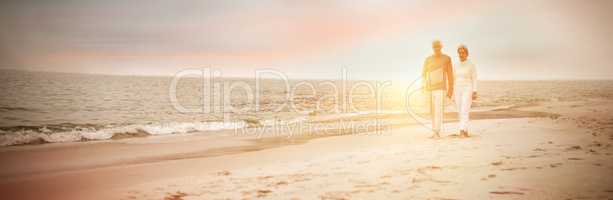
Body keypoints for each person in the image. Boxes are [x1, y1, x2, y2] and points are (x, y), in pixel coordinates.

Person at [422, 40, 454, 138]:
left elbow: (450, 75)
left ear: (441, 47)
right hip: (429, 89)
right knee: (432, 111)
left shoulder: (447, 58)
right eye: (434, 47)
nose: (436, 48)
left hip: (441, 88)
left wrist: (450, 89)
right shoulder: (428, 59)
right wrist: (423, 86)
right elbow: (423, 74)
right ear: (432, 47)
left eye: (438, 46)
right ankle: (434, 130)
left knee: (438, 110)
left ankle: (437, 131)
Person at [454, 44, 477, 137]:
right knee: (460, 110)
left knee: (464, 109)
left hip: (467, 88)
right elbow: (454, 77)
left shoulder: (471, 64)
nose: (461, 54)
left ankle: (462, 130)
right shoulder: (456, 64)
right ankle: (465, 129)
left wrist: (475, 91)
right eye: (459, 53)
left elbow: (474, 78)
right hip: (457, 88)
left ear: (467, 54)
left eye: (463, 53)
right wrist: (451, 91)